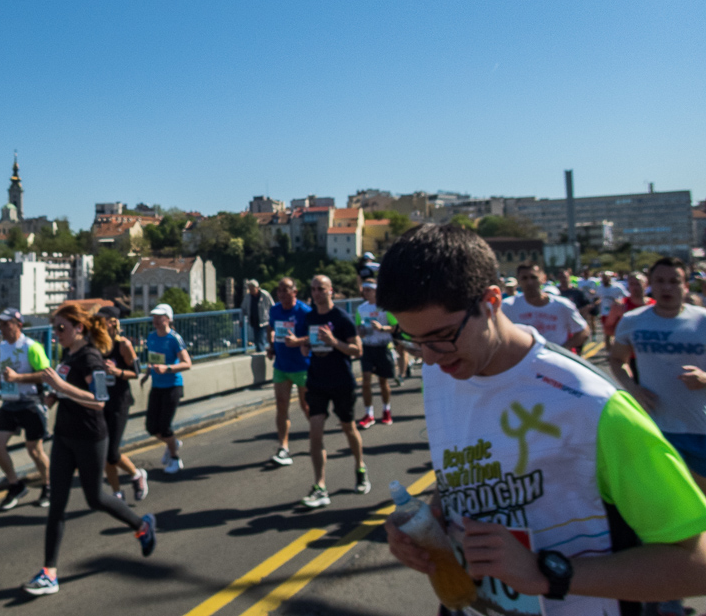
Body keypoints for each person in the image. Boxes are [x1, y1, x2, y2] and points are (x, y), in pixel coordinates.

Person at [377, 224, 706, 616]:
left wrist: (550, 574)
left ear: (492, 301)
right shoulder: (440, 373)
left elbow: (695, 564)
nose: (429, 357)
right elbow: (472, 476)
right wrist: (430, 524)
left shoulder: (591, 403)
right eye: (413, 340)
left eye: (443, 335)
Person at [23, 304, 155, 596]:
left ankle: (141, 525)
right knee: (57, 504)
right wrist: (49, 398)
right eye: (54, 328)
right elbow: (63, 386)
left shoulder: (91, 357)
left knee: (94, 498)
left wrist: (60, 385)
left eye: (61, 328)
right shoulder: (67, 354)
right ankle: (49, 573)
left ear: (78, 328)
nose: (56, 334)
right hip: (64, 436)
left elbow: (98, 400)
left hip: (91, 437)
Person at [610, 258, 706, 494]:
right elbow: (616, 360)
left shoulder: (702, 319)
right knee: (672, 498)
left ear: (685, 286)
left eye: (674, 281)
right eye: (660, 281)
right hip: (656, 426)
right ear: (650, 284)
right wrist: (632, 388)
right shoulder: (633, 321)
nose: (666, 288)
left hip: (700, 427)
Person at [296, 274, 371, 507]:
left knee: (348, 428)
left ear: (331, 291)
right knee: (315, 431)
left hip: (341, 382)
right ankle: (320, 486)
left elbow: (357, 351)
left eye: (321, 289)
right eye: (313, 289)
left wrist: (334, 342)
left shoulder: (342, 317)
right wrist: (304, 346)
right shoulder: (308, 317)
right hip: (317, 381)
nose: (316, 293)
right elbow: (305, 350)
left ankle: (360, 468)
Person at [0, 308, 52, 510]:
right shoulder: (2, 347)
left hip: (30, 402)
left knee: (34, 450)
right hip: (9, 403)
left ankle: (48, 486)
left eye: (6, 325)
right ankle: (15, 485)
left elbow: (46, 374)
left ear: (19, 325)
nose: (2, 329)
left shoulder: (31, 347)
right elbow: (3, 370)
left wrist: (18, 378)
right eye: (0, 325)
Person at [98, 306, 149, 502]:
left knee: (112, 452)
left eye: (101, 320)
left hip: (119, 401)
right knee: (104, 452)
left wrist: (116, 372)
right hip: (101, 401)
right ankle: (117, 492)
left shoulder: (123, 345)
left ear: (111, 322)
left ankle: (136, 474)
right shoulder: (95, 344)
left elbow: (136, 372)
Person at [265, 277, 312, 466]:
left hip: (302, 365)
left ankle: (316, 438)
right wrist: (271, 346)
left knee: (306, 406)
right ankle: (283, 447)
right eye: (279, 290)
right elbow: (270, 327)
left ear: (295, 291)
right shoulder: (275, 310)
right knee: (281, 405)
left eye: (286, 290)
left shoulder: (304, 311)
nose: (282, 294)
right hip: (282, 365)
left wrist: (298, 342)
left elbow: (315, 335)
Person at [144, 303, 192, 474]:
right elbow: (153, 359)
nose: (156, 320)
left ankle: (174, 458)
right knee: (151, 427)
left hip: (172, 386)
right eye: (154, 317)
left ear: (168, 319)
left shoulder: (174, 339)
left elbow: (187, 363)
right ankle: (172, 442)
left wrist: (168, 368)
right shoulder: (151, 337)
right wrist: (147, 372)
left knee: (164, 426)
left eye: (160, 317)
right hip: (156, 385)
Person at [501, 263, 590, 351]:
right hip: (524, 361)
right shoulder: (508, 306)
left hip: (555, 360)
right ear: (519, 281)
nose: (529, 282)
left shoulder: (562, 305)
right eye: (524, 278)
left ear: (543, 278)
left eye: (534, 277)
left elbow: (583, 331)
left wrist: (563, 349)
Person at [354, 278, 396, 428]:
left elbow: (396, 327)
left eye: (369, 290)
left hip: (382, 347)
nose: (366, 293)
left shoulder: (385, 308)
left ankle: (386, 410)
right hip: (367, 347)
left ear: (376, 291)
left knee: (382, 382)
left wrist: (382, 328)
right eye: (364, 290)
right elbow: (358, 327)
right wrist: (361, 332)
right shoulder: (361, 309)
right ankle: (369, 414)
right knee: (366, 381)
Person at [557, 270, 596, 342]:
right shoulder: (555, 292)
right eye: (561, 277)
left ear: (569, 278)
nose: (563, 279)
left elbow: (588, 306)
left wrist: (581, 311)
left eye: (565, 277)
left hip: (575, 324)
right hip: (560, 325)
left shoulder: (577, 292)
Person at [597, 272, 628, 350]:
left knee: (617, 333)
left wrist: (620, 302)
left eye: (606, 277)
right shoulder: (600, 288)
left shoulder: (617, 287)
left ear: (610, 278)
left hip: (616, 314)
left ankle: (617, 350)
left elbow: (627, 297)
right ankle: (609, 353)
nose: (604, 279)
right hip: (605, 313)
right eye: (603, 278)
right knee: (607, 334)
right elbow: (597, 297)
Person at [241, 279, 275, 352]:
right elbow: (243, 308)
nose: (251, 290)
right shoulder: (248, 297)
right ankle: (260, 352)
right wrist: (241, 320)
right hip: (254, 321)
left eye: (252, 288)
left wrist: (273, 318)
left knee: (261, 339)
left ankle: (260, 353)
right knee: (257, 339)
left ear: (257, 287)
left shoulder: (265, 295)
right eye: (249, 288)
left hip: (264, 321)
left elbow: (273, 306)